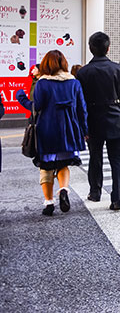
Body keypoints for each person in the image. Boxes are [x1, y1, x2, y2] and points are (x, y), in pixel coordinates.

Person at [16, 50, 87, 216]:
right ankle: (63, 189)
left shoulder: (43, 83)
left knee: (45, 167)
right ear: (64, 63)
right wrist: (84, 130)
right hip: (68, 128)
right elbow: (82, 109)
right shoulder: (74, 82)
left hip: (47, 128)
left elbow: (36, 107)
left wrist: (21, 97)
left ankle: (49, 203)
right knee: (63, 164)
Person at [76, 32, 120, 211]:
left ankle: (95, 192)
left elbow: (81, 102)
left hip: (93, 119)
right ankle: (117, 198)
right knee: (117, 159)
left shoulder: (83, 72)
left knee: (95, 157)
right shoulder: (119, 70)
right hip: (115, 118)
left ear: (90, 48)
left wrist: (82, 125)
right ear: (108, 48)